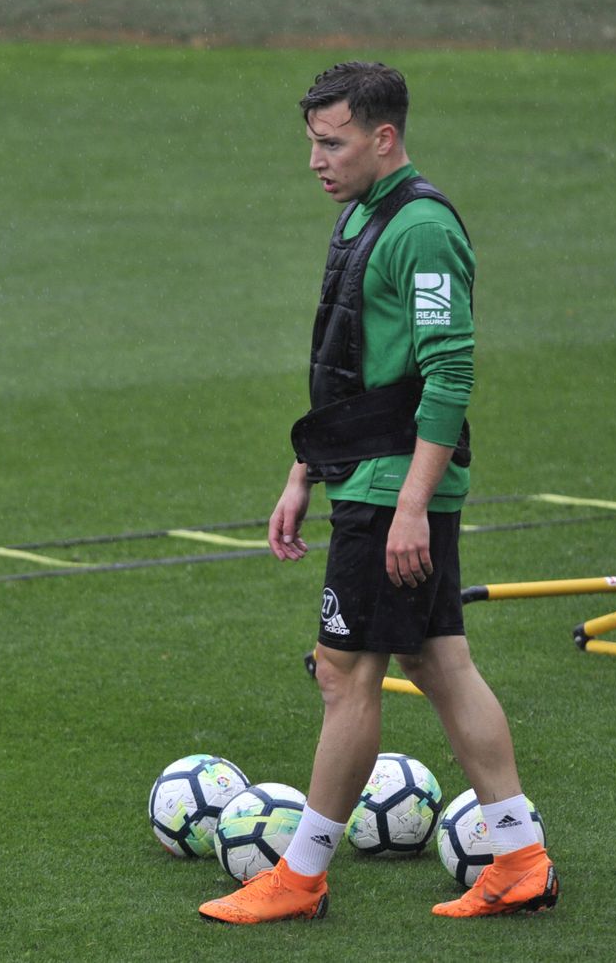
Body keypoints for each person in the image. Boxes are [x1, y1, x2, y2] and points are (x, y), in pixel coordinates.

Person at [199, 61, 558, 924]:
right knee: (436, 659)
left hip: (397, 486)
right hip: (365, 473)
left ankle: (304, 874)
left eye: (333, 143)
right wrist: (303, 472)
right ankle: (520, 857)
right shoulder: (364, 214)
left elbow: (450, 372)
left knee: (343, 671)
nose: (316, 161)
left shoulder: (423, 229)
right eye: (313, 143)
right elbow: (349, 369)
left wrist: (409, 508)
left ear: (383, 137)